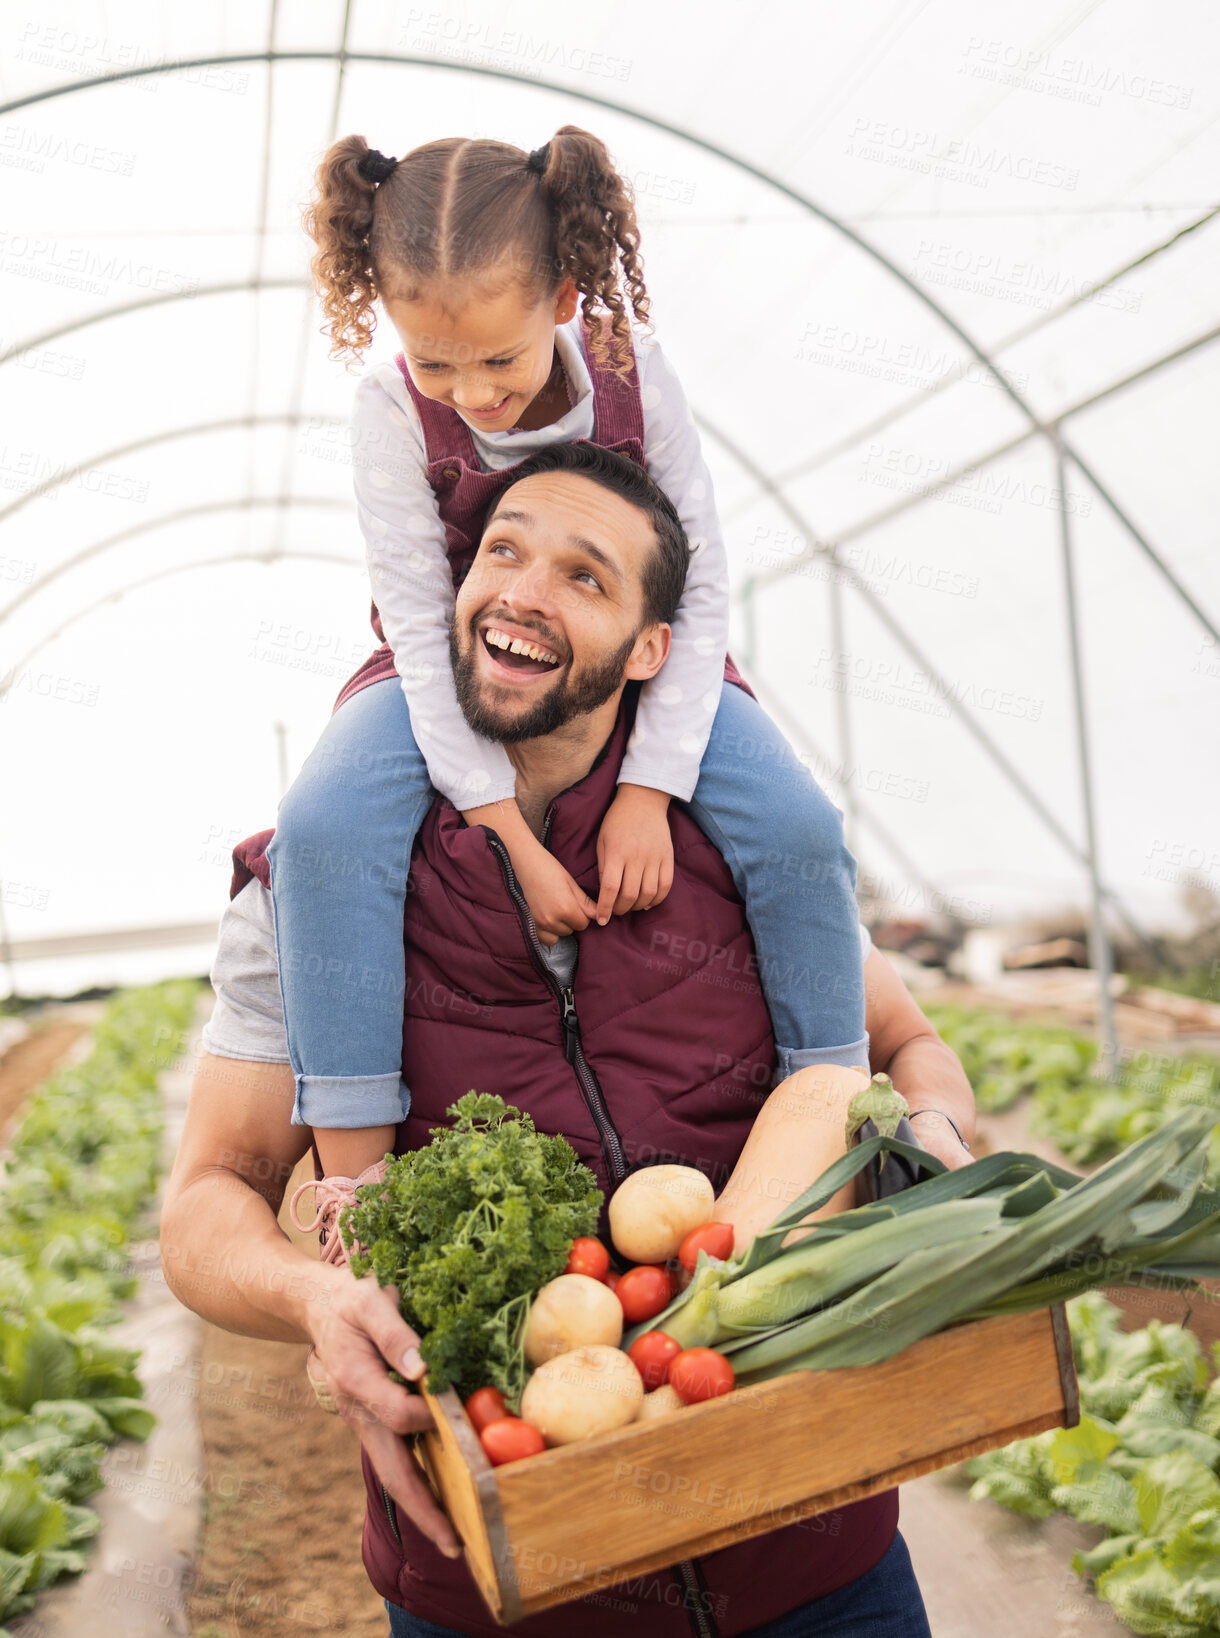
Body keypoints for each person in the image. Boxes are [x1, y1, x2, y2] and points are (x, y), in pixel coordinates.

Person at [163, 444, 976, 1638]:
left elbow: (904, 1048)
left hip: (812, 1549)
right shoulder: (316, 895)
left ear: (654, 650)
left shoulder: (742, 854)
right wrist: (306, 1298)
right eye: (501, 552)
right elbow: (205, 1201)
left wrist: (934, 1146)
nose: (524, 592)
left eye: (584, 577)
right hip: (505, 1574)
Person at [270, 126, 872, 1237]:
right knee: (322, 827)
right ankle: (355, 1174)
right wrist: (501, 827)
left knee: (795, 824)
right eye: (435, 362)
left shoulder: (634, 368)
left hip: (645, 657)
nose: (472, 393)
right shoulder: (389, 412)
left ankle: (840, 1114)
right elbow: (412, 612)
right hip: (442, 664)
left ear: (558, 298)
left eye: (496, 360)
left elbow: (700, 583)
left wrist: (649, 787)